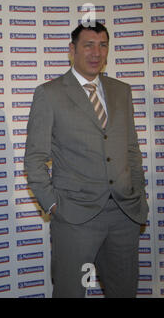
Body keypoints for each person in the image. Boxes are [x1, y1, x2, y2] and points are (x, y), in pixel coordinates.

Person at [24, 22, 148, 298]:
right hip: (74, 217)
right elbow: (35, 158)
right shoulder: (50, 94)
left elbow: (131, 149)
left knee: (123, 291)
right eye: (88, 45)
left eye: (103, 45)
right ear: (72, 50)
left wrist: (139, 194)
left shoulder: (121, 91)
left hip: (124, 214)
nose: (96, 52)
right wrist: (54, 205)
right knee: (70, 292)